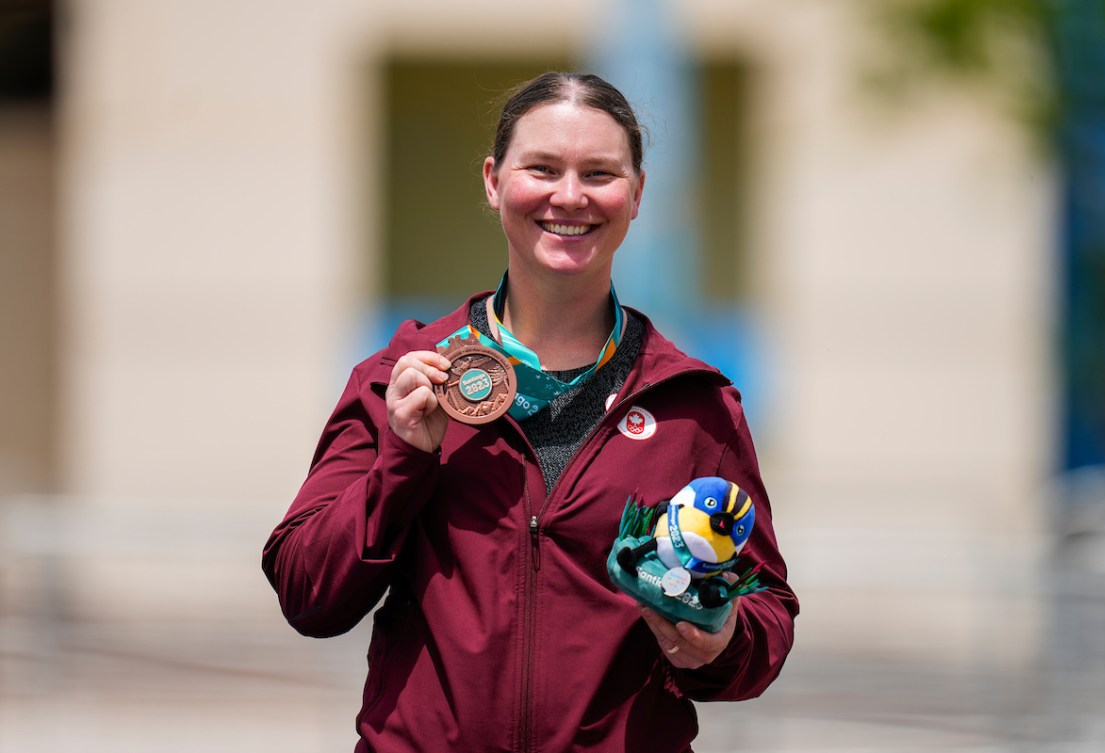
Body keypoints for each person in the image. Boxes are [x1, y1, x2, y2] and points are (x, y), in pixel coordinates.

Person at [262, 71, 798, 753]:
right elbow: (307, 594)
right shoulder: (402, 378)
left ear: (636, 194)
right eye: (541, 168)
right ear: (493, 181)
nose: (568, 196)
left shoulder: (691, 403)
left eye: (599, 173)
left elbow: (765, 616)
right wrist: (402, 460)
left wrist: (721, 639)